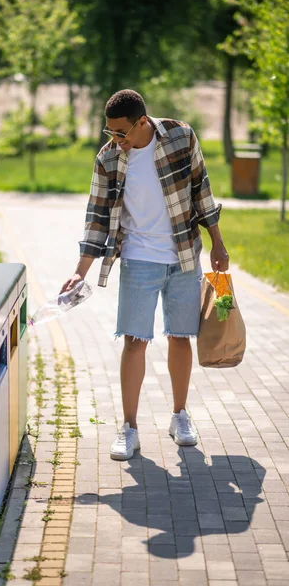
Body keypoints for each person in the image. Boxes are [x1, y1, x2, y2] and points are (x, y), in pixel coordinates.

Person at [59, 89, 229, 460]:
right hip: (138, 259)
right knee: (135, 341)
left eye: (121, 133)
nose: (115, 140)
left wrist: (217, 243)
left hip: (184, 255)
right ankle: (129, 427)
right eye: (109, 132)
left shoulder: (181, 137)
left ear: (142, 122)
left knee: (181, 337)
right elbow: (97, 218)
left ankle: (180, 415)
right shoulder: (108, 160)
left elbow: (202, 191)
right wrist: (79, 272)